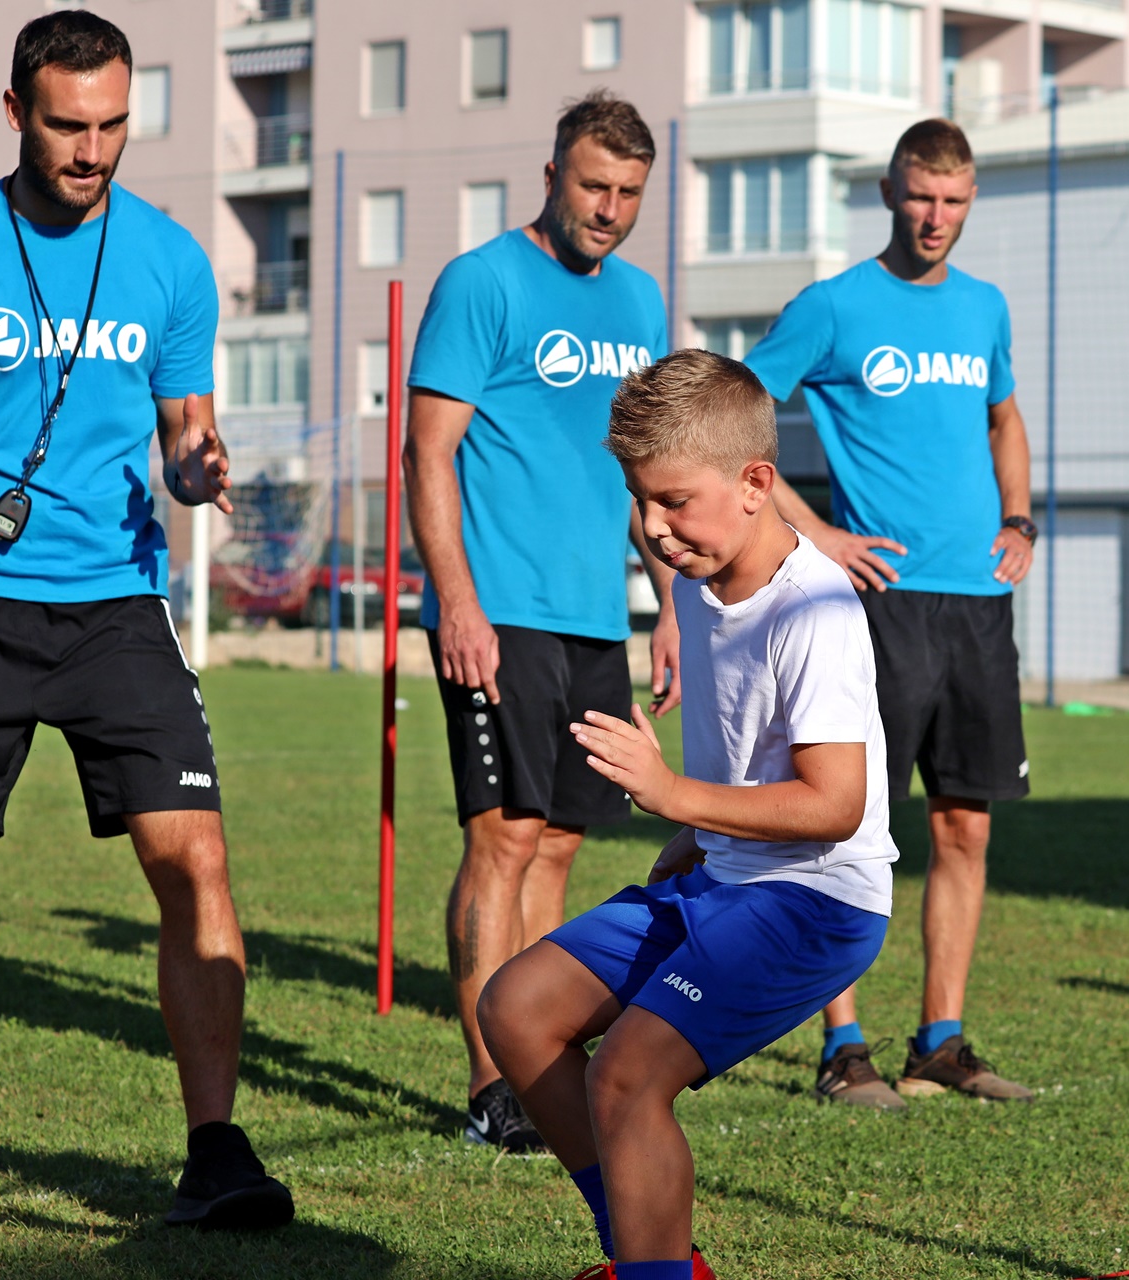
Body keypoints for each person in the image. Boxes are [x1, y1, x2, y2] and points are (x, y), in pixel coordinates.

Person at [0, 11, 293, 1228]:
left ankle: (215, 1148)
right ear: (17, 115)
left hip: (118, 602)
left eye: (113, 124)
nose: (93, 149)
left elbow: (186, 422)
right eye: (68, 125)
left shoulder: (172, 259)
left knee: (193, 859)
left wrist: (197, 465)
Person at [478, 349, 897, 1280]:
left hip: (816, 900)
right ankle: (644, 1254)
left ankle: (652, 1269)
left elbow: (838, 805)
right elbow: (759, 756)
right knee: (516, 1009)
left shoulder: (815, 613)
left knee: (627, 1075)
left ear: (758, 484)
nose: (656, 531)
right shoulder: (702, 578)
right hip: (724, 873)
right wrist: (694, 830)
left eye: (675, 502)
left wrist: (673, 795)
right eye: (640, 502)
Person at [404, 89, 678, 1152]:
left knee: (562, 836)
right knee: (504, 835)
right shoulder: (482, 282)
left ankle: (541, 1050)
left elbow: (643, 473)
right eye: (593, 185)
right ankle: (492, 1085)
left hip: (591, 615)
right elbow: (429, 453)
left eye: (627, 194)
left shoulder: (641, 302)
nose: (607, 209)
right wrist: (459, 602)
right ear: (553, 173)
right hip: (498, 607)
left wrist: (666, 604)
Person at [744, 117, 1037, 1108]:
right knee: (849, 822)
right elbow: (737, 419)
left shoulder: (986, 307)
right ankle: (845, 1043)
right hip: (879, 603)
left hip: (978, 604)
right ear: (888, 191)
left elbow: (1004, 415)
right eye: (921, 196)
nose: (936, 217)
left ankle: (942, 1038)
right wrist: (815, 533)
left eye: (954, 201)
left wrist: (1021, 517)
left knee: (964, 824)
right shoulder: (833, 306)